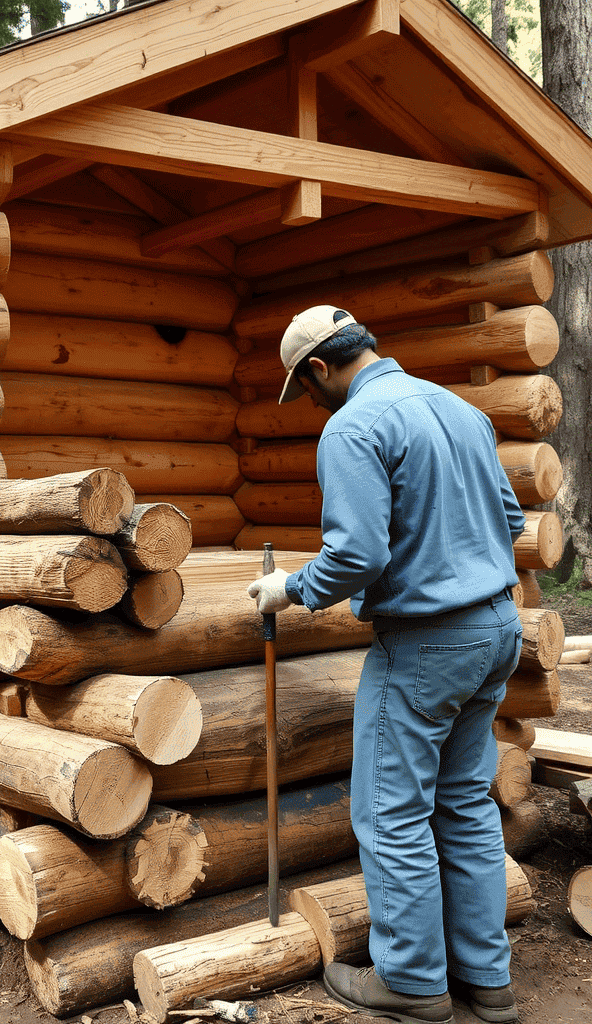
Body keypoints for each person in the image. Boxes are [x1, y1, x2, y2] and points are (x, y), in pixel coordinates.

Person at [247, 306, 525, 1024]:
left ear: (318, 369)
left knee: (391, 814)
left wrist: (291, 588)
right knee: (464, 804)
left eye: (305, 389)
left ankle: (411, 982)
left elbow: (358, 556)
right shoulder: (457, 408)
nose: (311, 402)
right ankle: (486, 980)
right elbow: (511, 519)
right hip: (496, 628)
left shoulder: (354, 428)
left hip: (427, 644)